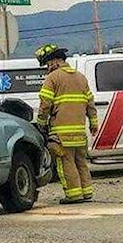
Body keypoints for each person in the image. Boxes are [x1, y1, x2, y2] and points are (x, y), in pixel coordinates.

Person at [34, 44, 98, 204]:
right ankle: (87, 192)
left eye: (47, 64)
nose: (47, 68)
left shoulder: (52, 78)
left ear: (54, 61)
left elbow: (45, 104)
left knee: (65, 162)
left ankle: (73, 195)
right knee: (81, 162)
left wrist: (41, 124)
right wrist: (93, 123)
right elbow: (90, 104)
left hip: (61, 132)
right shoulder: (81, 77)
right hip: (80, 132)